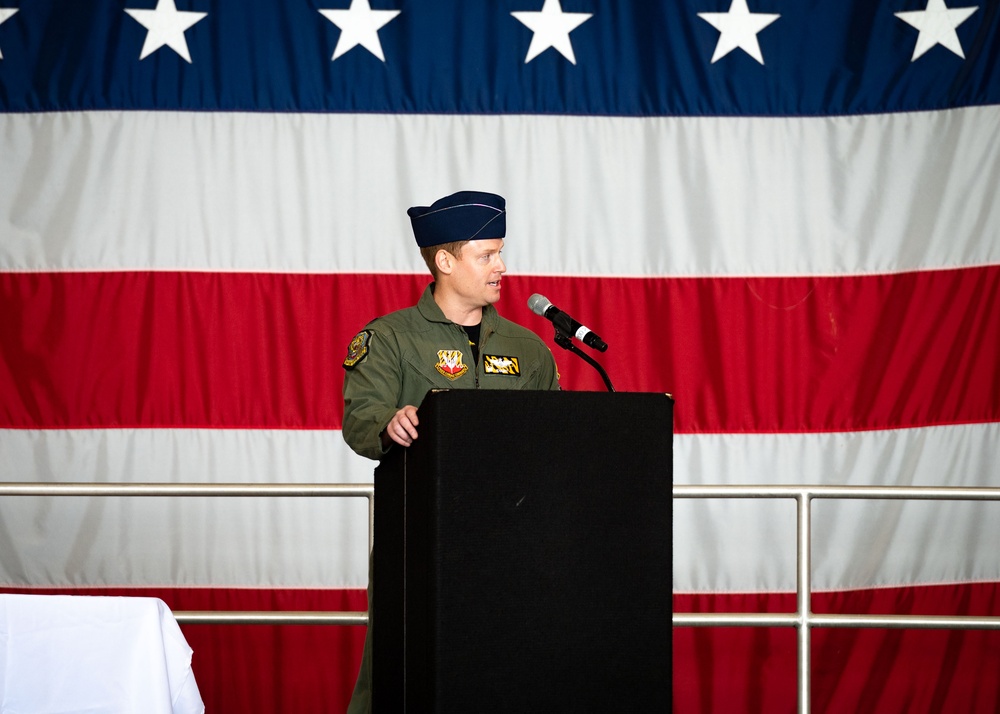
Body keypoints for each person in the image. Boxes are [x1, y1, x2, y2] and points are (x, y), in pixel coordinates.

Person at [341, 190, 560, 712]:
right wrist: (389, 424)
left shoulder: (529, 348)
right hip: (419, 542)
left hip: (511, 544)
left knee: (508, 674)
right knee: (406, 674)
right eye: (486, 255)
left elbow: (555, 439)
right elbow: (360, 419)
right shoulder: (390, 338)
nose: (501, 266)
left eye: (501, 252)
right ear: (445, 260)